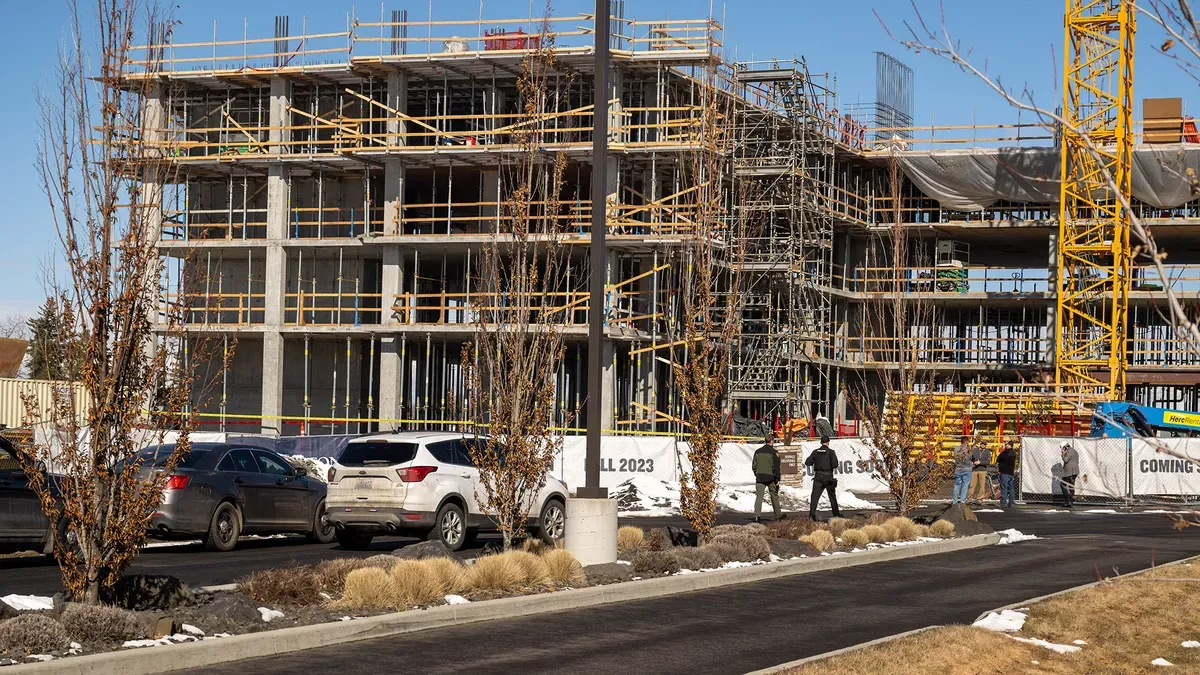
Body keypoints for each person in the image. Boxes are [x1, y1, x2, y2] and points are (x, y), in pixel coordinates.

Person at [805, 435, 841, 522]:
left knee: (814, 497)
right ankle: (836, 515)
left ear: (821, 442)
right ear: (828, 442)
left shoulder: (815, 452)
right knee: (832, 496)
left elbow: (807, 462)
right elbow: (835, 465)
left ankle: (811, 516)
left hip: (818, 476)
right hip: (828, 476)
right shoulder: (831, 452)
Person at [752, 432, 782, 522]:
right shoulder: (774, 453)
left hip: (760, 477)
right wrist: (777, 479)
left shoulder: (757, 452)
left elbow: (754, 466)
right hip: (771, 478)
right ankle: (778, 516)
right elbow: (776, 468)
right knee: (774, 496)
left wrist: (757, 473)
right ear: (772, 441)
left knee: (759, 497)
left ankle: (757, 516)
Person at [996, 440, 1018, 508]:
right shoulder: (1014, 453)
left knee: (1004, 488)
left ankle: (1003, 502)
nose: (1005, 445)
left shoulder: (1005, 452)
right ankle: (1011, 502)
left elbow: (998, 459)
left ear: (1009, 445)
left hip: (1004, 472)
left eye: (1006, 444)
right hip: (1011, 472)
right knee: (1011, 488)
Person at [952, 436, 973, 504]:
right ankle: (962, 500)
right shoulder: (969, 449)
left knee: (957, 485)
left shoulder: (956, 449)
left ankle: (954, 501)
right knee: (965, 485)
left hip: (958, 468)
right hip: (967, 469)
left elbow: (955, 457)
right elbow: (973, 457)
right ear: (966, 441)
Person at [1060, 441, 1079, 508]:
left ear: (1065, 447)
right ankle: (1071, 501)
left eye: (1062, 448)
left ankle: (1067, 501)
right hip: (1075, 471)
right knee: (1071, 486)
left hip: (1069, 472)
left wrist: (1063, 454)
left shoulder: (1068, 452)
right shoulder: (1074, 451)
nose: (1061, 449)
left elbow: (1065, 460)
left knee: (1063, 485)